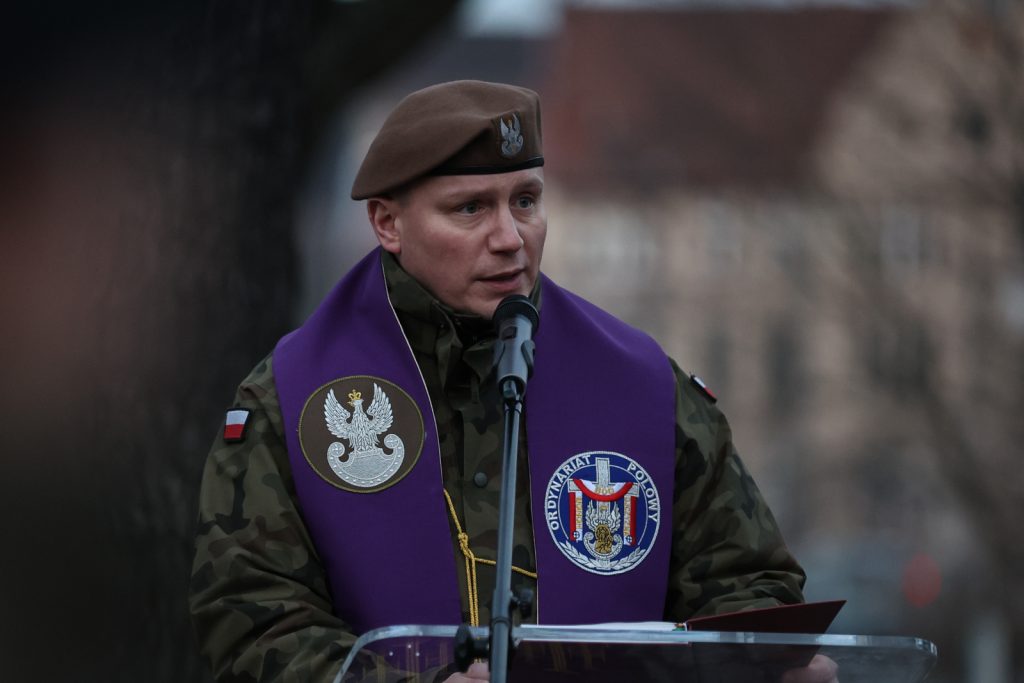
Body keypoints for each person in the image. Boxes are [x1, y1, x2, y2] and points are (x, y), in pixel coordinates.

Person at [189, 80, 832, 683]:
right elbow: (251, 623)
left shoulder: (647, 389)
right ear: (387, 223)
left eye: (525, 201)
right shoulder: (289, 400)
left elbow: (749, 588)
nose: (509, 238)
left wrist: (764, 664)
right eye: (470, 208)